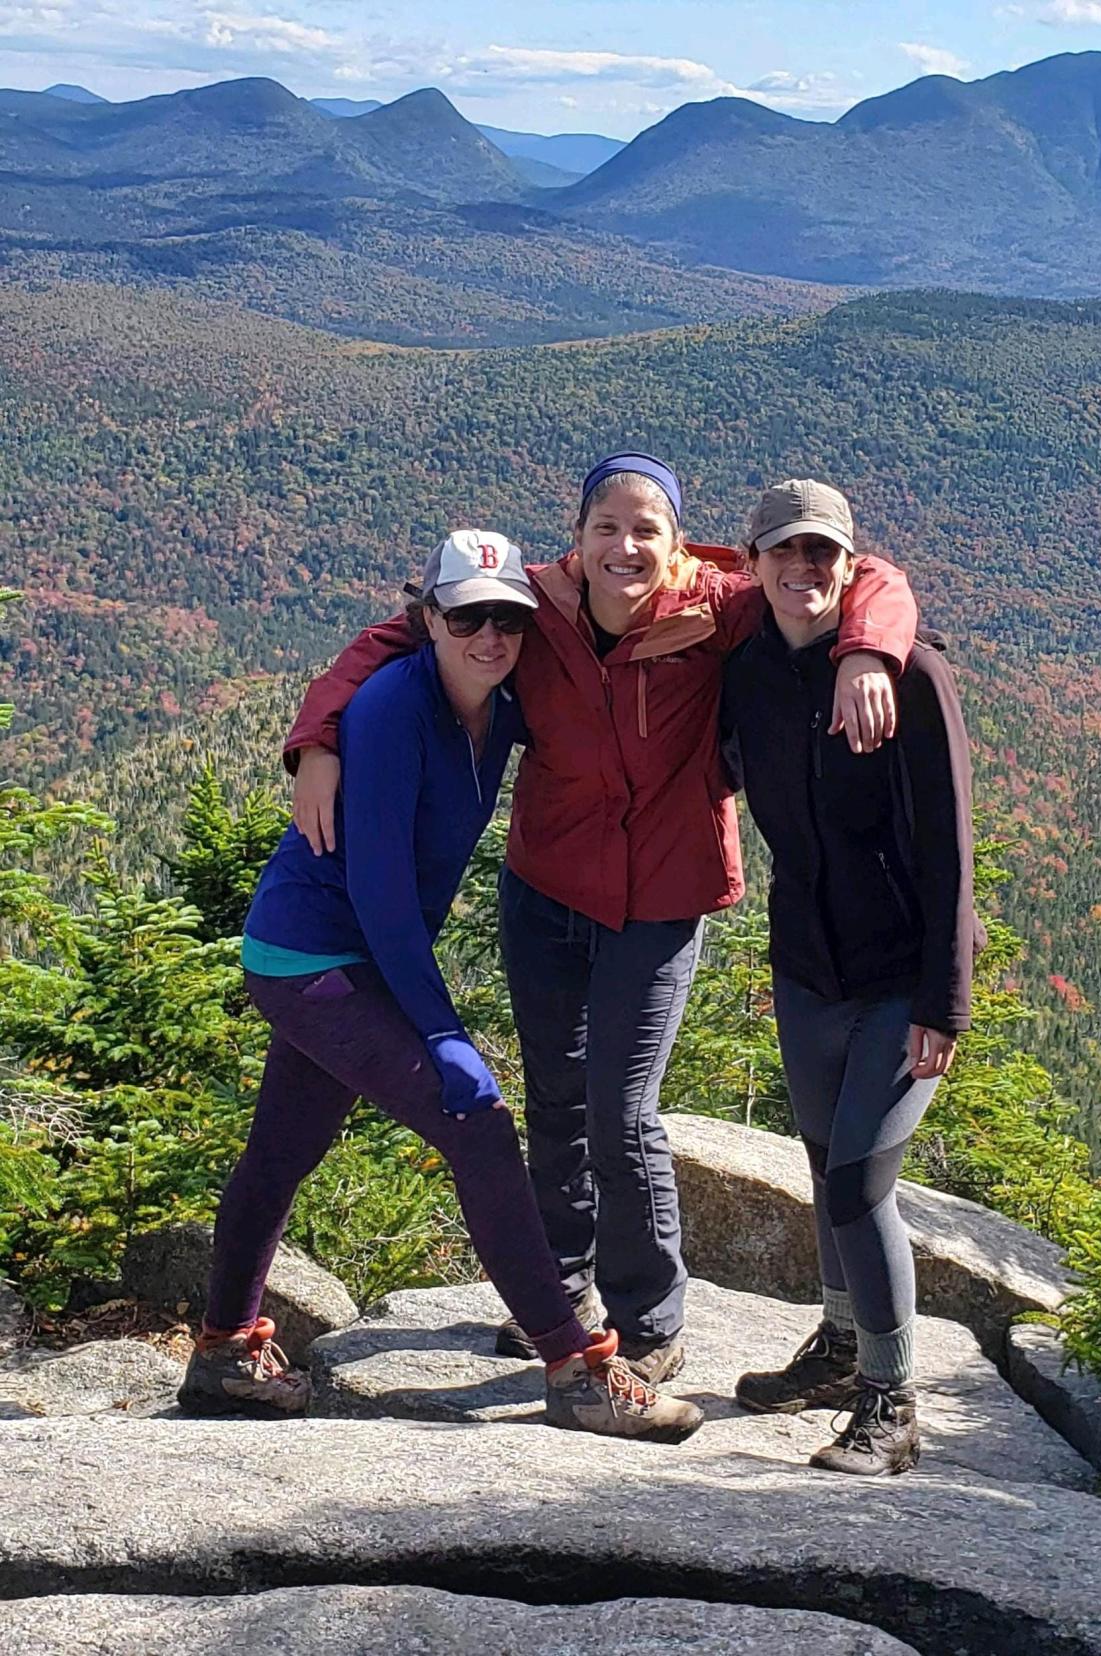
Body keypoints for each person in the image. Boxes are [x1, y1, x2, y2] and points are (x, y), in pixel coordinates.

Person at [282, 455, 919, 1382]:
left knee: (624, 1117)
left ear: (674, 542)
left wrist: (869, 650)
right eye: (606, 528)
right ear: (577, 538)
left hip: (664, 897)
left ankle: (650, 1321)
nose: (626, 546)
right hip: (546, 890)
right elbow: (394, 637)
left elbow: (866, 576)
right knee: (554, 1103)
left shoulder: (720, 606)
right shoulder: (529, 607)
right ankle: (561, 1294)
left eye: (646, 529)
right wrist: (317, 743)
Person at [178, 528, 704, 1444]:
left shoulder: (499, 710)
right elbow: (380, 897)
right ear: (431, 618)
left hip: (352, 961)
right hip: (313, 962)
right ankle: (577, 1370)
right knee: (480, 1129)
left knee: (280, 1153)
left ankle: (223, 1352)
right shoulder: (391, 712)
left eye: (508, 619)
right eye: (468, 617)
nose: (492, 637)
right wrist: (443, 1031)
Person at [723, 479, 978, 1476]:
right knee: (825, 1160)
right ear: (754, 566)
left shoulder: (910, 678)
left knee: (863, 1181)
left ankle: (891, 1399)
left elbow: (953, 849)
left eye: (822, 554)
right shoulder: (743, 668)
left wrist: (944, 1000)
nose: (803, 571)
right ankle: (838, 1348)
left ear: (852, 564)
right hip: (807, 965)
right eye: (783, 553)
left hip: (899, 975)